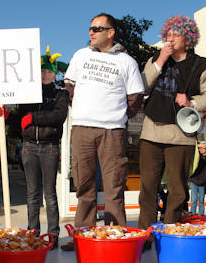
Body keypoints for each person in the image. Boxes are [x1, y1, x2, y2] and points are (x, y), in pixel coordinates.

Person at [61, 13, 145, 250]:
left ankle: (115, 237)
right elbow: (69, 86)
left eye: (97, 28)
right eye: (90, 28)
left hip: (112, 131)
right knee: (84, 186)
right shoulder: (80, 55)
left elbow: (135, 96)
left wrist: (118, 116)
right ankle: (82, 238)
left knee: (114, 186)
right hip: (82, 129)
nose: (91, 32)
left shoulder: (127, 62)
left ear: (110, 33)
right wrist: (84, 108)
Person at [137, 15, 206, 231]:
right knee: (148, 187)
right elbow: (142, 87)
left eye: (176, 35)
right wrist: (160, 61)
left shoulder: (201, 65)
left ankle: (171, 231)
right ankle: (145, 232)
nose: (171, 39)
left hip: (181, 135)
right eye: (168, 35)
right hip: (152, 132)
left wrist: (192, 102)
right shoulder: (157, 58)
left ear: (188, 39)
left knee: (178, 189)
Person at [7, 47, 68, 249]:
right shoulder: (28, 93)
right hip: (29, 147)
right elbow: (19, 120)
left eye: (49, 72)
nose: (45, 75)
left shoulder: (60, 94)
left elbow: (58, 116)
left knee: (49, 193)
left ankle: (53, 235)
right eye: (42, 71)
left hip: (50, 147)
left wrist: (34, 117)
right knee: (32, 194)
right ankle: (33, 233)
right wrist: (6, 117)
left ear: (54, 74)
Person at [188, 141, 206, 215]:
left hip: (203, 182)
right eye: (199, 148)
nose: (200, 149)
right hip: (194, 181)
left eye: (202, 148)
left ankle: (201, 214)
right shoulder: (197, 157)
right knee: (194, 200)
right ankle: (192, 214)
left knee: (201, 200)